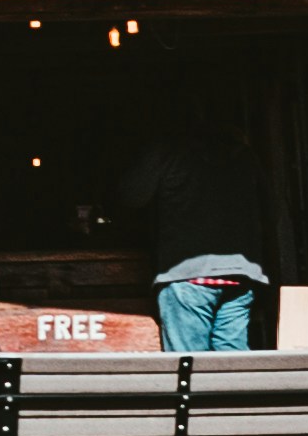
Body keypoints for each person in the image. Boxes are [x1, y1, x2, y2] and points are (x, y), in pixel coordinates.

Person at [115, 125, 271, 351]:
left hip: (189, 275)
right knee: (233, 361)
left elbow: (131, 196)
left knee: (188, 363)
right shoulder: (243, 153)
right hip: (241, 274)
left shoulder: (166, 151)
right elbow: (270, 212)